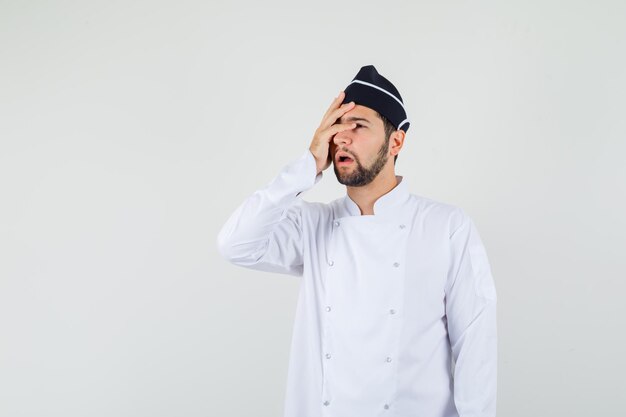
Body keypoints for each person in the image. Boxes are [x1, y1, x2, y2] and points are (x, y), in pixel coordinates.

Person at [217, 65, 498, 417]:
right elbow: (235, 244)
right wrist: (308, 165)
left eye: (358, 126)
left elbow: (476, 345)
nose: (341, 139)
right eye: (336, 128)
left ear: (396, 141)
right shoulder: (312, 224)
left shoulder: (446, 226)